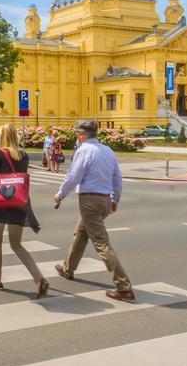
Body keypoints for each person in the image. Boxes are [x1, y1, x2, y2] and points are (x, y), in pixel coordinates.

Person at [53, 119, 134, 301]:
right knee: (81, 233)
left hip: (89, 199)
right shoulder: (107, 150)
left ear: (82, 135)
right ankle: (68, 268)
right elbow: (117, 178)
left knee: (101, 243)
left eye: (76, 134)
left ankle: (124, 287)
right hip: (104, 200)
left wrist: (60, 194)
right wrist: (115, 199)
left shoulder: (84, 150)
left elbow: (73, 176)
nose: (76, 137)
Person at [0, 123, 49, 298]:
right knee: (16, 244)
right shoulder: (24, 155)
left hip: (1, 202)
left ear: (2, 137)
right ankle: (39, 279)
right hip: (19, 203)